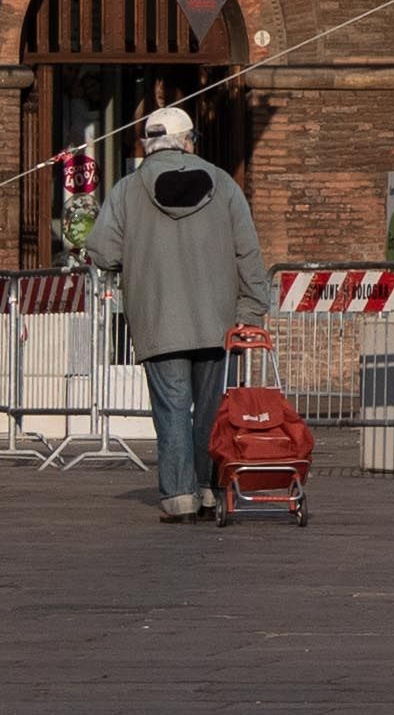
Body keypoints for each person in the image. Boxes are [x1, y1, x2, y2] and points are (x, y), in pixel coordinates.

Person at [85, 105, 270, 522]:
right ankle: (208, 489)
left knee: (170, 410)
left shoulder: (128, 190)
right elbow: (248, 253)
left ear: (149, 144)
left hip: (158, 319)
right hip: (219, 320)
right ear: (188, 141)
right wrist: (252, 310)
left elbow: (103, 251)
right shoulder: (223, 184)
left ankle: (179, 497)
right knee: (211, 409)